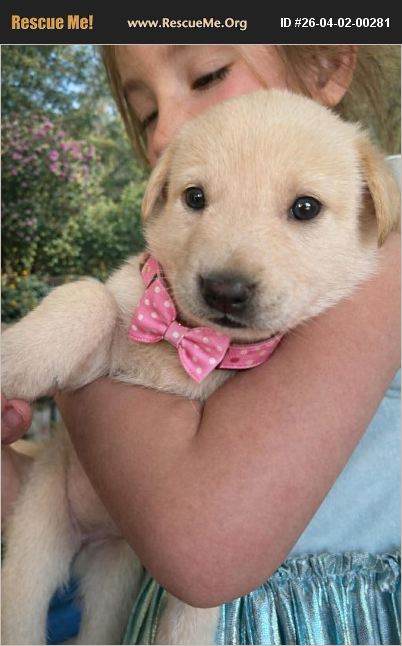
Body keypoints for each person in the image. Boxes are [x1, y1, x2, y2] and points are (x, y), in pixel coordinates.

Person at [2, 45, 400, 645]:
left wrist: (76, 375)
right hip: (118, 528)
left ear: (325, 62)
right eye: (195, 197)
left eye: (304, 209)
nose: (167, 131)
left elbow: (203, 547)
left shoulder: (388, 237)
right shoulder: (151, 286)